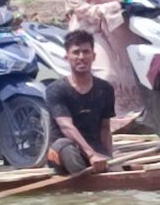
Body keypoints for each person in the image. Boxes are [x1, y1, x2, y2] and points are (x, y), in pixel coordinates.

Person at [61, 0, 144, 130]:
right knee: (107, 75)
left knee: (139, 65)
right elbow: (78, 7)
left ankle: (140, 115)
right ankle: (102, 124)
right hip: (88, 29)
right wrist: (105, 9)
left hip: (117, 23)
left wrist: (136, 0)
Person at [46, 29, 115, 175]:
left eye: (86, 52)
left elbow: (105, 128)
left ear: (93, 56)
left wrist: (109, 158)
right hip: (64, 148)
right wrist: (91, 155)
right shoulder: (56, 89)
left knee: (114, 168)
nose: (81, 57)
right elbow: (66, 127)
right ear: (67, 57)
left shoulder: (105, 89)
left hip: (93, 147)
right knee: (69, 151)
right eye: (76, 52)